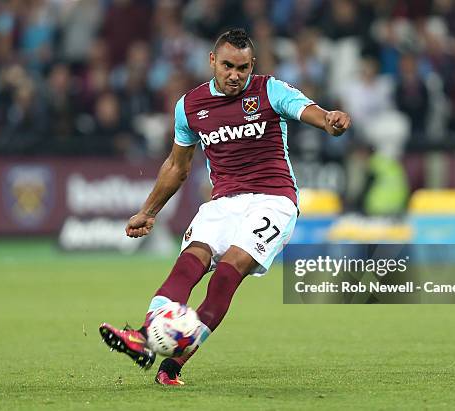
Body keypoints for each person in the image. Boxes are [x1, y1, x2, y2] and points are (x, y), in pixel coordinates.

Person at [99, 28, 351, 386]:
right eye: (228, 66)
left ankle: (172, 365)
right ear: (212, 61)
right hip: (222, 202)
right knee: (190, 261)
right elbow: (177, 166)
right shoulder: (190, 106)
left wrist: (329, 120)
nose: (235, 75)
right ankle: (143, 339)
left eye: (243, 68)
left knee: (227, 272)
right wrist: (149, 210)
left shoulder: (269, 90)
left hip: (273, 199)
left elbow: (306, 109)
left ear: (253, 66)